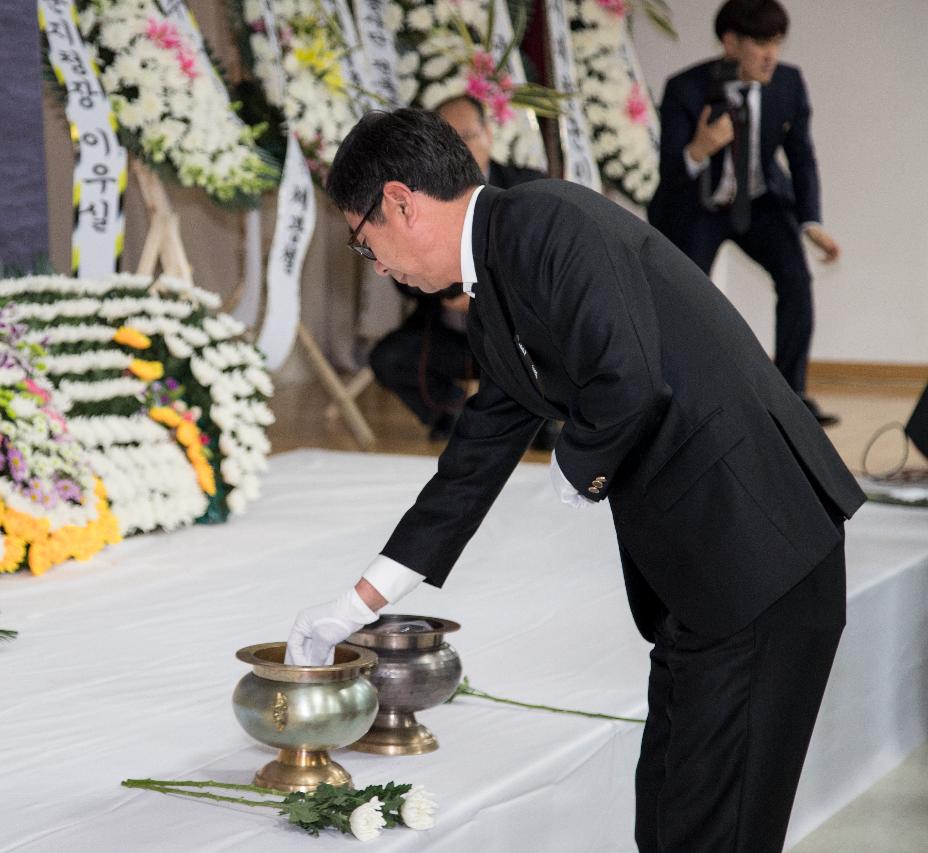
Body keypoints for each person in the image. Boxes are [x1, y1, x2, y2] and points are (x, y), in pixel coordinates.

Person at [286, 107, 865, 852]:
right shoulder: (496, 282)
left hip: (760, 553)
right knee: (666, 813)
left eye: (366, 246)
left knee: (715, 827)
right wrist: (353, 602)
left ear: (400, 201)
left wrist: (575, 464)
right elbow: (472, 462)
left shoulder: (546, 221)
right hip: (708, 576)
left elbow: (630, 376)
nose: (380, 267)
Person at [648, 0, 840, 426]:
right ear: (730, 43)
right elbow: (667, 175)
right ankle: (672, 395)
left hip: (760, 202)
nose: (771, 54)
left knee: (796, 281)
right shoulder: (686, 88)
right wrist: (700, 148)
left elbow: (801, 156)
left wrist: (812, 223)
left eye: (777, 42)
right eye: (760, 43)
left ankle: (792, 397)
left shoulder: (788, 84)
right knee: (681, 297)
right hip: (699, 206)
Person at [368, 94, 549, 443]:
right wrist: (439, 283)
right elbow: (399, 275)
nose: (461, 149)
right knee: (390, 358)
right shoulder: (412, 194)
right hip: (450, 330)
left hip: (517, 334)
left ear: (489, 135)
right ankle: (451, 414)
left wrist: (486, 295)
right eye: (448, 140)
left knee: (551, 356)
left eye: (468, 136)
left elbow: (541, 267)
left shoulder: (527, 186)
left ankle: (539, 421)